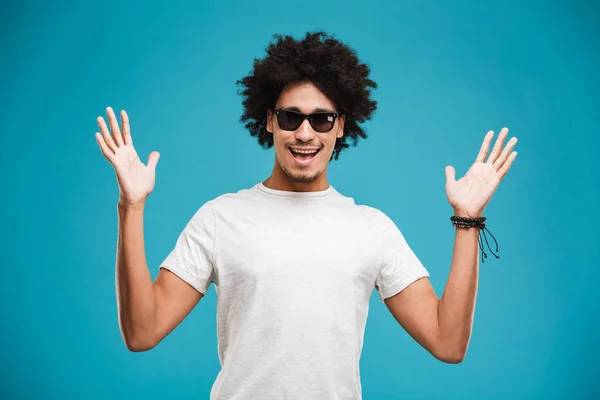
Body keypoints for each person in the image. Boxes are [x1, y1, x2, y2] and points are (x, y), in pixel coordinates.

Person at [95, 31, 518, 399]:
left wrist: (468, 219)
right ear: (269, 121)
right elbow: (142, 331)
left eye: (321, 119)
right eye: (291, 116)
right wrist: (130, 206)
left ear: (340, 127)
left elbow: (448, 342)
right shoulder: (220, 218)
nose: (304, 132)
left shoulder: (371, 228)